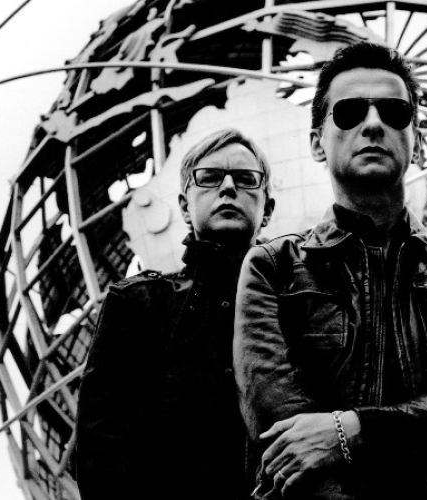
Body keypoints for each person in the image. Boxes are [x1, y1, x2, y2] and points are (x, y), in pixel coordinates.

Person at [233, 41, 427, 500]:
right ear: (316, 144)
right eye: (349, 112)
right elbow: (282, 430)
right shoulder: (272, 268)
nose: (373, 124)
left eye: (394, 112)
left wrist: (354, 430)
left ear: (416, 141)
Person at [75, 128, 275, 500]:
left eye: (246, 179)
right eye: (210, 177)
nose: (228, 188)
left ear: (268, 209)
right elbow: (100, 451)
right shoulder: (136, 304)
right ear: (184, 206)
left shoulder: (301, 304)